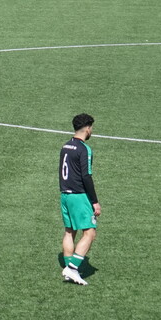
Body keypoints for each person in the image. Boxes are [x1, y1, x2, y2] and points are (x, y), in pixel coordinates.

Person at [59, 113, 99, 286]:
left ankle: (69, 268)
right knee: (90, 233)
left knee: (70, 231)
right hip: (78, 196)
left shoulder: (65, 146)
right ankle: (72, 268)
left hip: (65, 195)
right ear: (87, 128)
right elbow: (86, 176)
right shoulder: (84, 149)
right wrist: (95, 201)